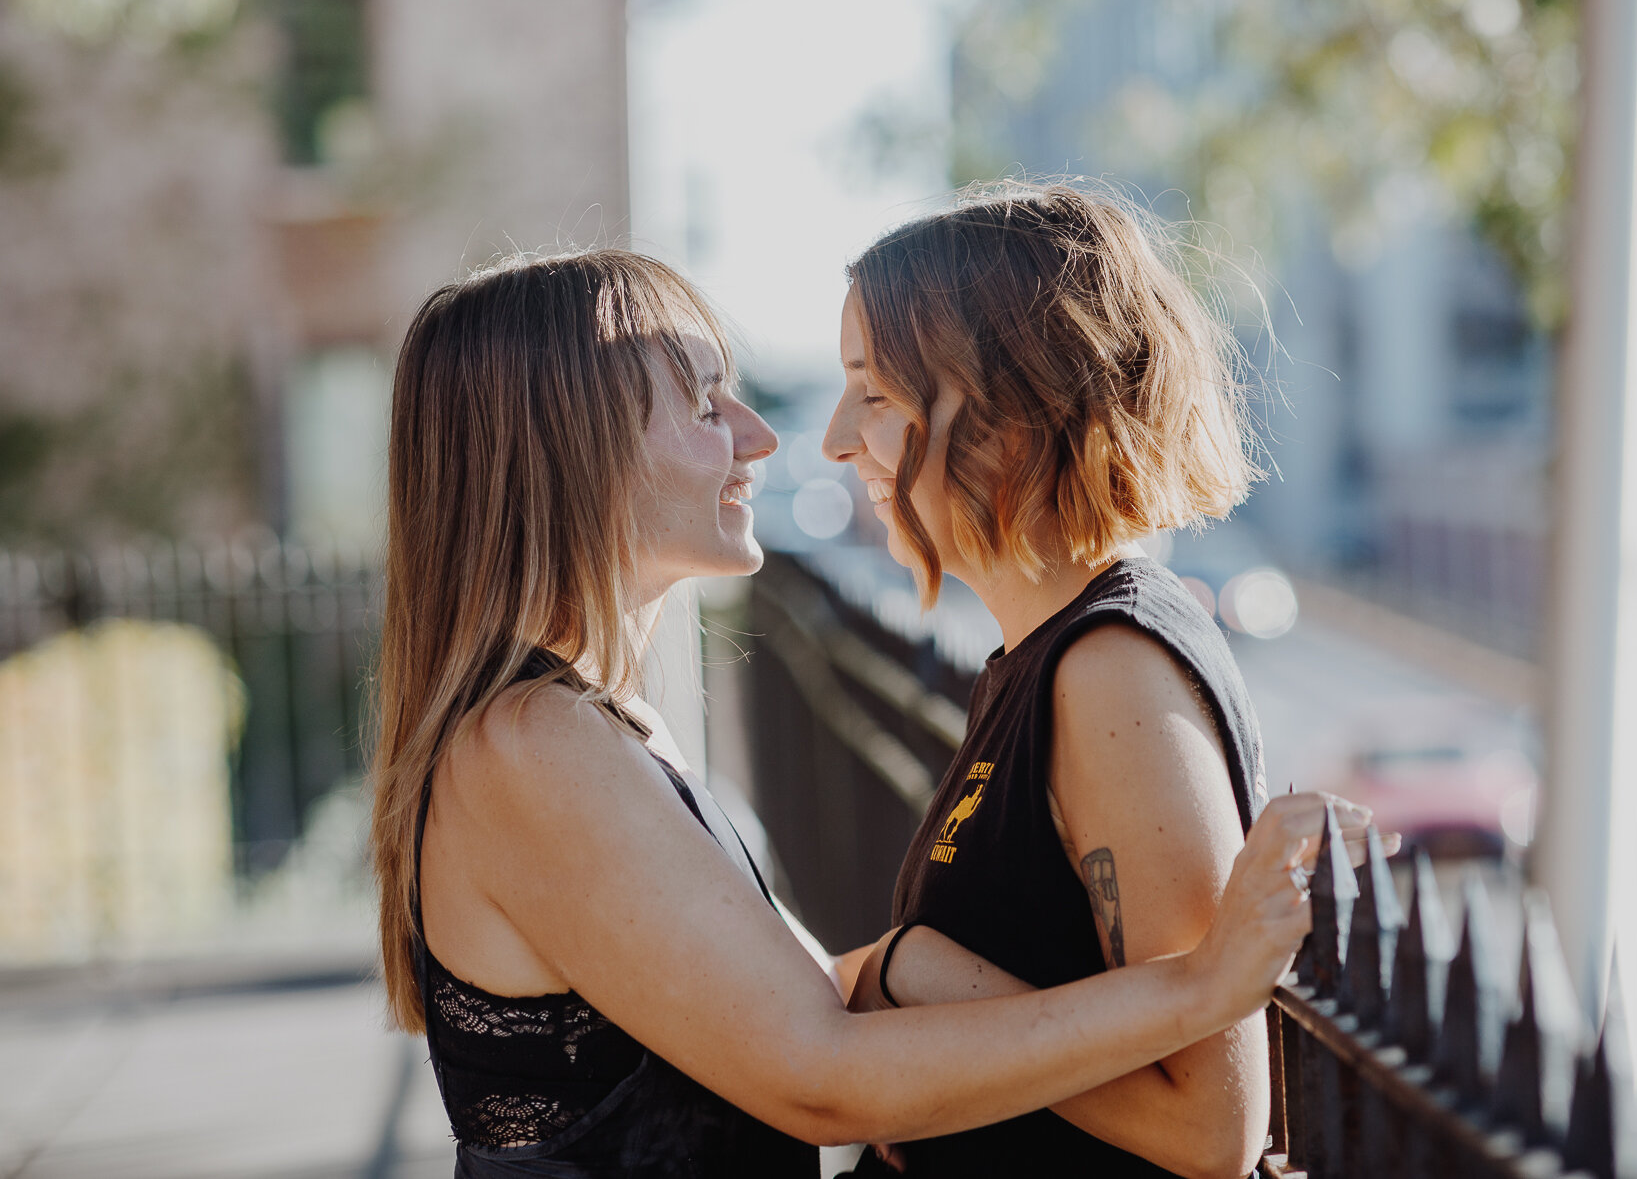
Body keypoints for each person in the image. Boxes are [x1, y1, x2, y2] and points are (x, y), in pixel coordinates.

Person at [368, 248, 1371, 1178]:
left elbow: (800, 1003)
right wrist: (1198, 989)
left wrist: (910, 966)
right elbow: (820, 1072)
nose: (762, 438)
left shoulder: (596, 725)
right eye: (705, 403)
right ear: (567, 449)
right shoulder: (526, 744)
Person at [823, 183, 1338, 1179]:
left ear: (1007, 415)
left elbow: (1211, 1128)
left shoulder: (1111, 671)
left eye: (875, 395)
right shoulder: (1040, 654)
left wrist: (918, 977)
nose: (836, 438)